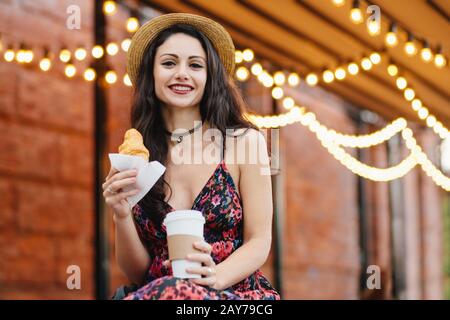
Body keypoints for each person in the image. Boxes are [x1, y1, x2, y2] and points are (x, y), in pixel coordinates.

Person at [102, 13, 280, 300]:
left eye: (195, 65)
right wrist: (121, 214)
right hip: (160, 293)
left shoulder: (244, 142)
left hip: (233, 294)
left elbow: (259, 240)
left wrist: (214, 277)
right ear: (152, 73)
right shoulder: (139, 155)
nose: (182, 73)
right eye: (169, 63)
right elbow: (139, 273)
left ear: (210, 76)